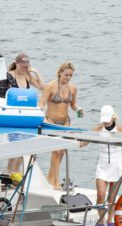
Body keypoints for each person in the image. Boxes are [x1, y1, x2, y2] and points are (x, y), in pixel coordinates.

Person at [39, 61, 83, 189]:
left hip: (65, 122)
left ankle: (50, 177)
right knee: (56, 151)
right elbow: (41, 103)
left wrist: (78, 109)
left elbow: (73, 105)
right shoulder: (50, 86)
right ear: (60, 73)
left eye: (70, 75)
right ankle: (56, 182)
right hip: (51, 121)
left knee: (62, 151)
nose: (68, 78)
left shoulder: (73, 88)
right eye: (66, 75)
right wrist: (43, 119)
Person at [92, 104, 122, 221]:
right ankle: (102, 221)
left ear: (113, 117)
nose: (106, 123)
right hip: (102, 164)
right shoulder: (97, 129)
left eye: (107, 120)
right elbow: (84, 141)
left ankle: (109, 220)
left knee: (112, 198)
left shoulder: (120, 130)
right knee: (101, 194)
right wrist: (74, 141)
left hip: (116, 164)